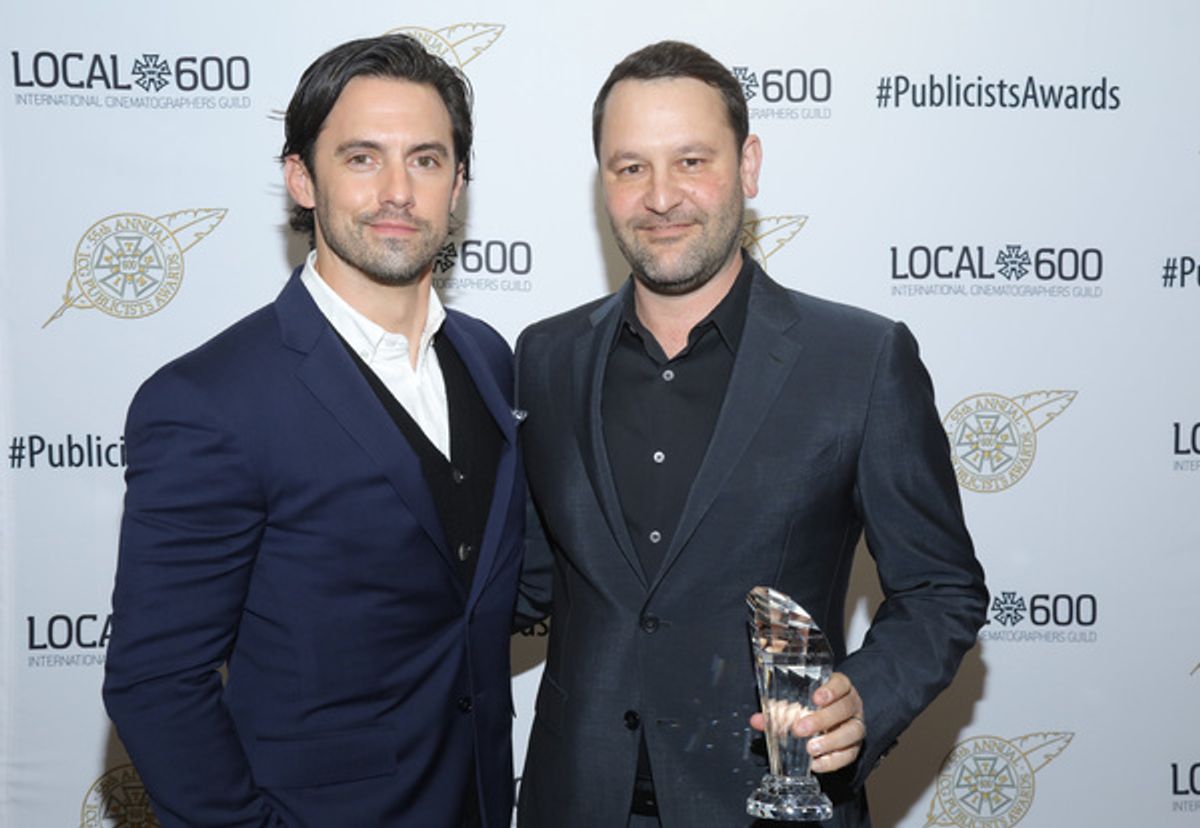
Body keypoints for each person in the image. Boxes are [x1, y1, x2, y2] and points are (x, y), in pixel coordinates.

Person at [513, 41, 987, 827]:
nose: (661, 197)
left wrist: (863, 700)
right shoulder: (544, 357)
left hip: (770, 804)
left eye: (691, 160)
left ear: (749, 165)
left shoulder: (861, 360)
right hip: (574, 799)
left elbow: (941, 590)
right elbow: (523, 579)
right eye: (630, 168)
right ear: (602, 180)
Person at [103, 34, 524, 828]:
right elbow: (155, 684)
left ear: (459, 183)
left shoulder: (489, 360)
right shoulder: (209, 401)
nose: (398, 190)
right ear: (302, 178)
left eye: (427, 160)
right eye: (362, 158)